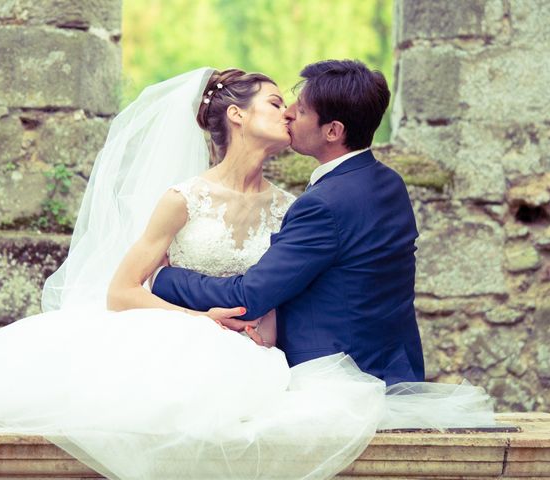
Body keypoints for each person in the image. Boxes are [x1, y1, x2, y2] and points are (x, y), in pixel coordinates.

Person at [0, 66, 494, 480]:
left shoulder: (299, 204)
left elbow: (267, 289)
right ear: (236, 116)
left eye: (295, 108)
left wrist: (173, 281)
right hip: (187, 337)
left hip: (271, 356)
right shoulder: (184, 197)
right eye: (279, 103)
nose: (289, 115)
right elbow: (121, 292)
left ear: (332, 130)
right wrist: (193, 311)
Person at [153, 59, 423, 386]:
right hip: (397, 371)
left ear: (333, 131)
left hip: (336, 381)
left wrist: (165, 278)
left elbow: (251, 295)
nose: (289, 112)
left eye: (303, 109)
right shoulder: (389, 182)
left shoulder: (322, 204)